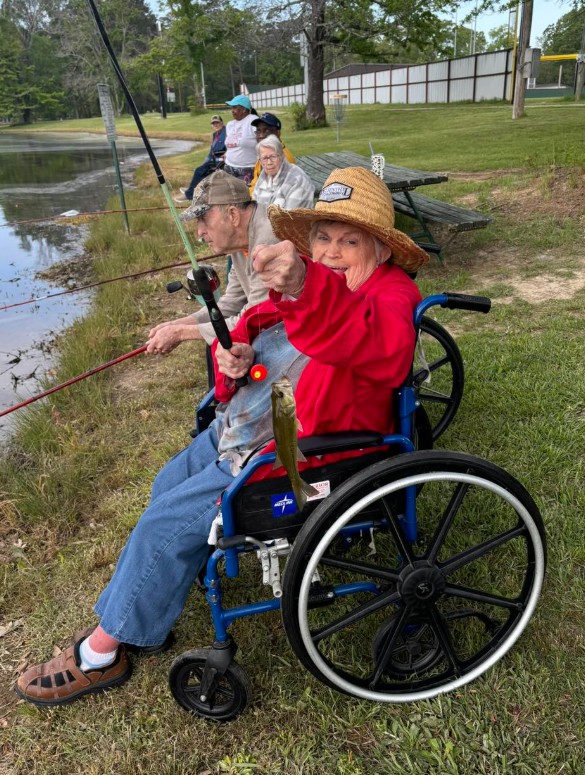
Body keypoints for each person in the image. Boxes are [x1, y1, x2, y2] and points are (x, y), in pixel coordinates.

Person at [15, 167, 429, 706]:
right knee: (167, 483)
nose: (330, 252)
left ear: (381, 248)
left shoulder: (390, 296)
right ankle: (148, 602)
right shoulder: (334, 283)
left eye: (349, 241)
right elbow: (267, 333)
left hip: (305, 455)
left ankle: (101, 652)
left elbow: (372, 342)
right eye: (322, 237)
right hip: (251, 423)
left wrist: (305, 285)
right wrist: (239, 360)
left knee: (162, 526)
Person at [147, 170, 277, 352]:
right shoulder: (240, 239)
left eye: (203, 219)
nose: (200, 232)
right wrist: (177, 324)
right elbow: (232, 301)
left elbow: (255, 319)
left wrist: (181, 333)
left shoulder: (269, 242)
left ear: (232, 215)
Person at [252, 135, 314, 211]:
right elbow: (254, 211)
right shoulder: (264, 177)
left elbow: (290, 218)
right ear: (260, 161)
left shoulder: (298, 180)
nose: (269, 162)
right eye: (264, 158)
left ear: (282, 156)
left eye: (273, 156)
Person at [174, 114, 226, 204]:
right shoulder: (215, 135)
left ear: (222, 122)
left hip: (222, 160)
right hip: (213, 160)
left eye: (217, 123)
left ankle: (188, 195)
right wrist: (205, 162)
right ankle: (192, 189)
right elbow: (211, 152)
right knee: (200, 169)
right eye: (213, 124)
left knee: (199, 171)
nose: (215, 125)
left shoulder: (226, 133)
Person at [248, 113, 296, 194]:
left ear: (278, 133)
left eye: (267, 131)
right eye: (258, 131)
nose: (261, 135)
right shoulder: (267, 152)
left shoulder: (280, 160)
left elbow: (274, 195)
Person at [223, 95, 258, 184]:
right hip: (229, 166)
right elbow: (230, 143)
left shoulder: (253, 120)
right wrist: (227, 153)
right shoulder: (230, 124)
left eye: (235, 107)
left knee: (245, 196)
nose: (232, 110)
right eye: (231, 107)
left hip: (247, 169)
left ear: (244, 109)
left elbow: (264, 139)